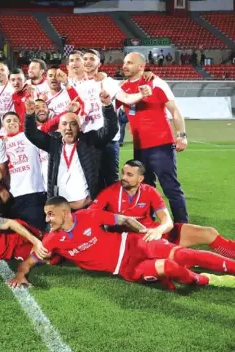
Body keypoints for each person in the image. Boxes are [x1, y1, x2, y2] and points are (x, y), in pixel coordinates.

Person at [7, 197, 235, 291]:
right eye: (46, 215)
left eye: (50, 214)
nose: (47, 220)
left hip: (135, 244)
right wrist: (20, 273)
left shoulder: (89, 215)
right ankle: (204, 279)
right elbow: (30, 260)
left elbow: (124, 219)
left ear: (65, 213)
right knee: (172, 268)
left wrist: (146, 232)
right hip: (125, 269)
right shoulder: (52, 239)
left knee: (185, 255)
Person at [91, 160, 235, 258]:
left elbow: (167, 221)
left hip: (153, 233)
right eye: (123, 173)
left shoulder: (150, 191)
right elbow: (91, 213)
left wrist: (158, 230)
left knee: (209, 232)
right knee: (181, 256)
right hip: (129, 241)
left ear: (140, 179)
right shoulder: (110, 191)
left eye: (129, 175)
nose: (123, 177)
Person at [119, 52, 189, 224]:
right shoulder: (123, 88)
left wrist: (181, 135)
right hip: (140, 147)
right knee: (145, 188)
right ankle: (148, 224)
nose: (124, 66)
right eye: (124, 62)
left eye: (129, 63)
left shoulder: (156, 83)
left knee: (170, 187)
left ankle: (182, 226)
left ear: (142, 66)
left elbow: (175, 110)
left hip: (161, 145)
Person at [24, 85, 119, 210]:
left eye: (73, 124)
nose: (68, 128)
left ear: (79, 127)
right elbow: (31, 133)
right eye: (64, 124)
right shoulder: (53, 143)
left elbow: (110, 130)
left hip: (87, 208)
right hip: (61, 211)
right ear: (59, 127)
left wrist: (107, 106)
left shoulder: (90, 141)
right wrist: (30, 114)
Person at [69, 50, 147, 189]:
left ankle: (112, 210)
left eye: (92, 59)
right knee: (90, 180)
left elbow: (127, 98)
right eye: (85, 58)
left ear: (99, 63)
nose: (87, 61)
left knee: (111, 180)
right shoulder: (78, 85)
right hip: (87, 139)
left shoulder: (107, 82)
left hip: (108, 140)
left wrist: (141, 95)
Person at [1, 112, 47, 230]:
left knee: (38, 232)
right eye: (8, 121)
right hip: (13, 196)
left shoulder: (29, 136)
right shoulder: (0, 143)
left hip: (34, 192)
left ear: (20, 123)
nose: (12, 123)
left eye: (15, 120)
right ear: (3, 125)